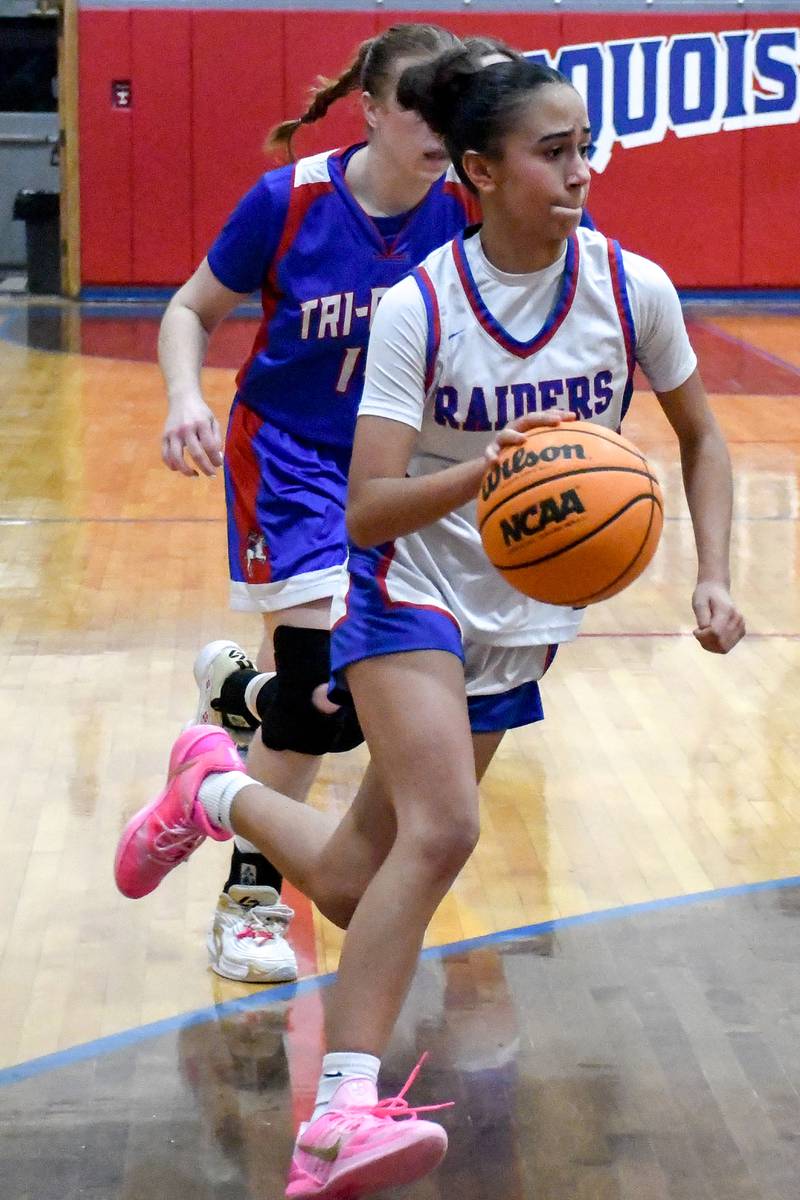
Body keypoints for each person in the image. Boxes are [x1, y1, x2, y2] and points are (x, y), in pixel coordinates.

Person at [115, 46, 747, 1198]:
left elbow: (701, 438)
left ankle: (209, 785)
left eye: (582, 149)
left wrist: (711, 574)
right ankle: (340, 1116)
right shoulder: (422, 306)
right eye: (551, 153)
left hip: (520, 611)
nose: (579, 172)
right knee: (443, 829)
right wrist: (484, 480)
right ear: (481, 170)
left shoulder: (628, 289)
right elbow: (366, 510)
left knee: (362, 881)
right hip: (406, 584)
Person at [157, 22, 489, 984]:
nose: (436, 126)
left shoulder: (467, 211)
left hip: (401, 470)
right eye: (417, 105)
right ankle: (250, 903)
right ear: (372, 109)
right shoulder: (290, 200)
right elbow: (190, 309)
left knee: (321, 697)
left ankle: (230, 697)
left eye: (451, 108)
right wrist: (186, 398)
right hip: (293, 458)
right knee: (315, 701)